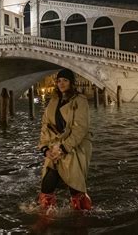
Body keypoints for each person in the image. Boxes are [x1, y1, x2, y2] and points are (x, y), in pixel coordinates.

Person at [37, 68, 93, 211]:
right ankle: (46, 216)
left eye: (65, 80)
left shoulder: (80, 101)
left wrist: (64, 148)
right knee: (47, 183)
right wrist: (44, 149)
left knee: (75, 186)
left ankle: (82, 216)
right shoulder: (54, 101)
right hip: (55, 147)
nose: (61, 83)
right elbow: (45, 125)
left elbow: (80, 128)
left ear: (71, 83)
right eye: (59, 80)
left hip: (74, 146)